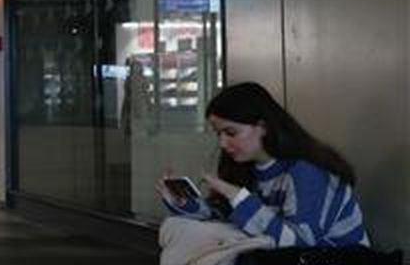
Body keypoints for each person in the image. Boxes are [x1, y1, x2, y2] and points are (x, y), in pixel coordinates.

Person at [157, 81, 369, 249]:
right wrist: (185, 204)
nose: (222, 143)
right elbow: (228, 220)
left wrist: (238, 197)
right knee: (179, 226)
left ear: (263, 127)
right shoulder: (246, 167)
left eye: (231, 133)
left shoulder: (306, 172)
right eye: (218, 133)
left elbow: (300, 243)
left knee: (209, 242)